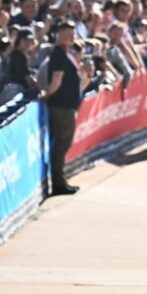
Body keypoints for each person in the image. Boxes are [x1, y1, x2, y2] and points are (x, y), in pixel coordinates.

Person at [39, 19, 90, 195]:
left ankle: (60, 180)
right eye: (65, 32)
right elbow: (56, 81)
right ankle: (58, 183)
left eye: (72, 32)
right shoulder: (59, 54)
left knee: (63, 143)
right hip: (61, 106)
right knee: (61, 143)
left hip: (67, 106)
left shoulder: (66, 53)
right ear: (57, 34)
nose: (69, 36)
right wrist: (46, 95)